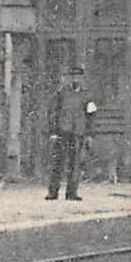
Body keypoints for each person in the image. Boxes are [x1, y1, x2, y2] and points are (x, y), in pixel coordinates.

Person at [46, 65, 96, 201]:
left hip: (78, 133)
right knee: (58, 163)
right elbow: (53, 112)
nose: (75, 79)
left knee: (75, 164)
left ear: (82, 78)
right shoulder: (62, 93)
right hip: (63, 132)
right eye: (73, 77)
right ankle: (53, 192)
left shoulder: (87, 95)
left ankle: (71, 193)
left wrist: (90, 134)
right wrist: (53, 132)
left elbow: (91, 116)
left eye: (78, 77)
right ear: (69, 78)